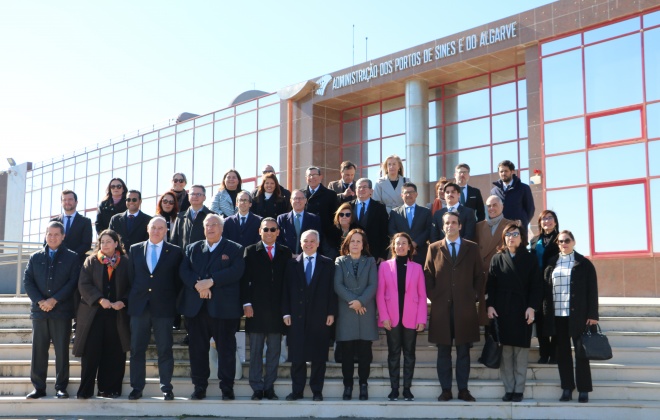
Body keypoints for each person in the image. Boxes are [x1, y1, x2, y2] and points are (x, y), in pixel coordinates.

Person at [178, 214, 245, 401]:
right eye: (207, 225)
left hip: (224, 309)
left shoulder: (235, 248)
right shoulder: (192, 248)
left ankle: (227, 388)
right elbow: (184, 270)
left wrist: (212, 282)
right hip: (196, 309)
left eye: (214, 224)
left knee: (226, 349)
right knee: (197, 350)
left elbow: (236, 271)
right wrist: (198, 285)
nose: (210, 228)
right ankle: (199, 386)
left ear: (222, 228)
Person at [424, 212, 485, 403]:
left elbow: (479, 276)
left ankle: (463, 390)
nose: (450, 226)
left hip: (465, 309)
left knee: (463, 351)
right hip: (441, 308)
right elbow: (428, 275)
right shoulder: (434, 248)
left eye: (454, 223)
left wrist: (473, 296)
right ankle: (446, 390)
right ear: (443, 227)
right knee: (443, 351)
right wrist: (434, 296)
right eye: (447, 223)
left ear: (460, 226)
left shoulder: (472, 248)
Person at [126, 217, 183, 401]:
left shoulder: (175, 251)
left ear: (166, 230)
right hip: (139, 307)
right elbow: (130, 277)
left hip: (164, 307)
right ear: (147, 229)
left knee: (165, 349)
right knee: (136, 349)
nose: (157, 231)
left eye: (161, 228)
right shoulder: (135, 249)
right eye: (153, 228)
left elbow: (178, 281)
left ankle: (166, 387)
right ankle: (136, 387)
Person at [23, 221, 80, 399]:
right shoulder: (35, 257)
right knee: (38, 350)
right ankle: (38, 387)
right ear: (45, 235)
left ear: (63, 236)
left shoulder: (72, 257)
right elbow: (28, 281)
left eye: (56, 234)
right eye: (49, 234)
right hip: (39, 312)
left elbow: (73, 282)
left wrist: (54, 300)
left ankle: (61, 387)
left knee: (62, 351)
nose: (52, 237)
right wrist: (41, 301)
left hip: (61, 311)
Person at [487, 223, 542, 403]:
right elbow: (491, 285)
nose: (512, 237)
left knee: (521, 352)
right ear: (504, 237)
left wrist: (532, 307)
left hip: (522, 308)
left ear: (521, 237)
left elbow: (536, 286)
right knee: (506, 352)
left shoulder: (530, 258)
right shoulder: (497, 258)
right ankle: (509, 388)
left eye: (515, 234)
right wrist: (490, 305)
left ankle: (519, 389)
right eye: (508, 234)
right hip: (502, 309)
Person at [542, 230, 599, 404]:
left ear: (573, 242)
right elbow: (546, 291)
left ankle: (583, 389)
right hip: (558, 316)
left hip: (579, 316)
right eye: (560, 241)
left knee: (581, 353)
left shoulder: (584, 263)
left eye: (567, 240)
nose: (563, 243)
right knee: (562, 354)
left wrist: (592, 314)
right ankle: (567, 387)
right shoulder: (552, 263)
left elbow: (592, 290)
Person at [73, 229, 130, 399]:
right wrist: (99, 299)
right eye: (102, 242)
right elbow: (83, 285)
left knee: (113, 353)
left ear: (116, 243)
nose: (105, 245)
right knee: (91, 353)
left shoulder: (125, 262)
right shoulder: (91, 261)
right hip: (94, 314)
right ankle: (85, 390)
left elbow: (132, 286)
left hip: (117, 315)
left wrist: (124, 301)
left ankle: (109, 389)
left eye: (108, 241)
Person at [241, 218, 292, 401]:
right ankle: (256, 387)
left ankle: (269, 387)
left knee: (274, 352)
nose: (269, 232)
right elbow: (244, 280)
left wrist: (287, 309)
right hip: (256, 309)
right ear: (259, 231)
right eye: (266, 229)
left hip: (278, 310)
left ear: (278, 232)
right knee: (255, 351)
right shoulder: (250, 251)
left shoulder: (286, 252)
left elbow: (289, 283)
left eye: (273, 229)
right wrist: (246, 303)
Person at [282, 230, 337, 401]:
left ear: (318, 243)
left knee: (319, 357)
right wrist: (285, 313)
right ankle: (297, 391)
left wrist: (331, 312)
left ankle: (317, 391)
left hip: (320, 316)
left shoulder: (328, 264)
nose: (309, 244)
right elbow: (285, 291)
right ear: (300, 243)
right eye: (306, 241)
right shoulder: (291, 264)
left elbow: (332, 291)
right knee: (297, 356)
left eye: (313, 241)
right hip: (296, 316)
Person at [377, 233, 427, 401]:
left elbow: (422, 295)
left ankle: (407, 389)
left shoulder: (417, 268)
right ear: (393, 246)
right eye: (398, 243)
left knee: (409, 354)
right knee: (393, 353)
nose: (401, 246)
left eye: (404, 243)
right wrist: (384, 316)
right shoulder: (384, 266)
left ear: (409, 247)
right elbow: (380, 294)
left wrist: (421, 319)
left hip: (411, 317)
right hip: (391, 317)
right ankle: (394, 389)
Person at [334, 229, 378, 401]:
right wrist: (354, 301)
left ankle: (363, 385)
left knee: (365, 352)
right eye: (352, 241)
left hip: (365, 311)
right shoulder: (339, 261)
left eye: (358, 241)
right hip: (347, 311)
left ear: (363, 245)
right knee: (347, 353)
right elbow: (337, 285)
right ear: (347, 243)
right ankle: (348, 385)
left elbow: (373, 284)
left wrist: (362, 301)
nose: (355, 244)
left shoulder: (370, 261)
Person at [530, 210, 560, 364]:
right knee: (540, 319)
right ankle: (544, 352)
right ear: (540, 223)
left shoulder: (561, 240)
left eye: (550, 218)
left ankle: (554, 353)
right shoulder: (534, 241)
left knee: (554, 319)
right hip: (538, 284)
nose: (547, 221)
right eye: (544, 219)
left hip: (555, 285)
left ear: (555, 222)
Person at [388, 182, 433, 265]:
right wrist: (405, 243)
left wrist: (415, 243)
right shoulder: (394, 212)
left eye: (411, 192)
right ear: (402, 195)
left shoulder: (426, 212)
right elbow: (391, 230)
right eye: (406, 192)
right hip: (401, 252)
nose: (409, 195)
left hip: (420, 252)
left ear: (416, 194)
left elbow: (428, 230)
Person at [350, 178, 389, 263]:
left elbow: (384, 232)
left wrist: (383, 254)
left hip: (373, 253)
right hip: (351, 253)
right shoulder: (348, 206)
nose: (361, 189)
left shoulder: (379, 207)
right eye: (359, 187)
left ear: (371, 190)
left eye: (364, 187)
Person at [490, 160, 535, 235]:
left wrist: (523, 223)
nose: (503, 173)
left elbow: (530, 209)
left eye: (506, 171)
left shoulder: (524, 188)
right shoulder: (494, 191)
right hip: (501, 231)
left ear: (512, 171)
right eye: (501, 171)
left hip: (519, 231)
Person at [49, 190, 93, 265]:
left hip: (77, 263)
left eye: (70, 199)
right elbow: (47, 241)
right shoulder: (53, 221)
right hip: (56, 263)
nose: (67, 202)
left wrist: (70, 256)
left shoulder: (85, 221)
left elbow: (86, 244)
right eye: (64, 200)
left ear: (76, 202)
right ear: (61, 202)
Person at [475, 196, 513, 280]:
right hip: (482, 275)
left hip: (503, 272)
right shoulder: (478, 226)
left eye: (495, 205)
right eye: (489, 206)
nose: (491, 208)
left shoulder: (512, 225)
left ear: (502, 206)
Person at [170, 185, 216, 251]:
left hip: (205, 258)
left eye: (198, 194)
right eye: (192, 194)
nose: (195, 196)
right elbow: (174, 241)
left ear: (204, 197)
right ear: (188, 197)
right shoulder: (180, 217)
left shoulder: (213, 216)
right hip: (185, 259)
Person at [276, 189, 322, 256]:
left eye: (300, 198)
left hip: (306, 257)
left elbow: (317, 239)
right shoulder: (281, 219)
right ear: (291, 201)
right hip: (286, 258)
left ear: (305, 200)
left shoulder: (314, 219)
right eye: (295, 198)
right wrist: (289, 254)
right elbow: (278, 239)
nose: (298, 201)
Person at [303, 166, 339, 236]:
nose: (312, 177)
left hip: (325, 234)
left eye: (314, 175)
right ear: (306, 178)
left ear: (320, 177)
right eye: (309, 175)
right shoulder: (301, 194)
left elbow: (335, 217)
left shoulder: (330, 194)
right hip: (306, 234)